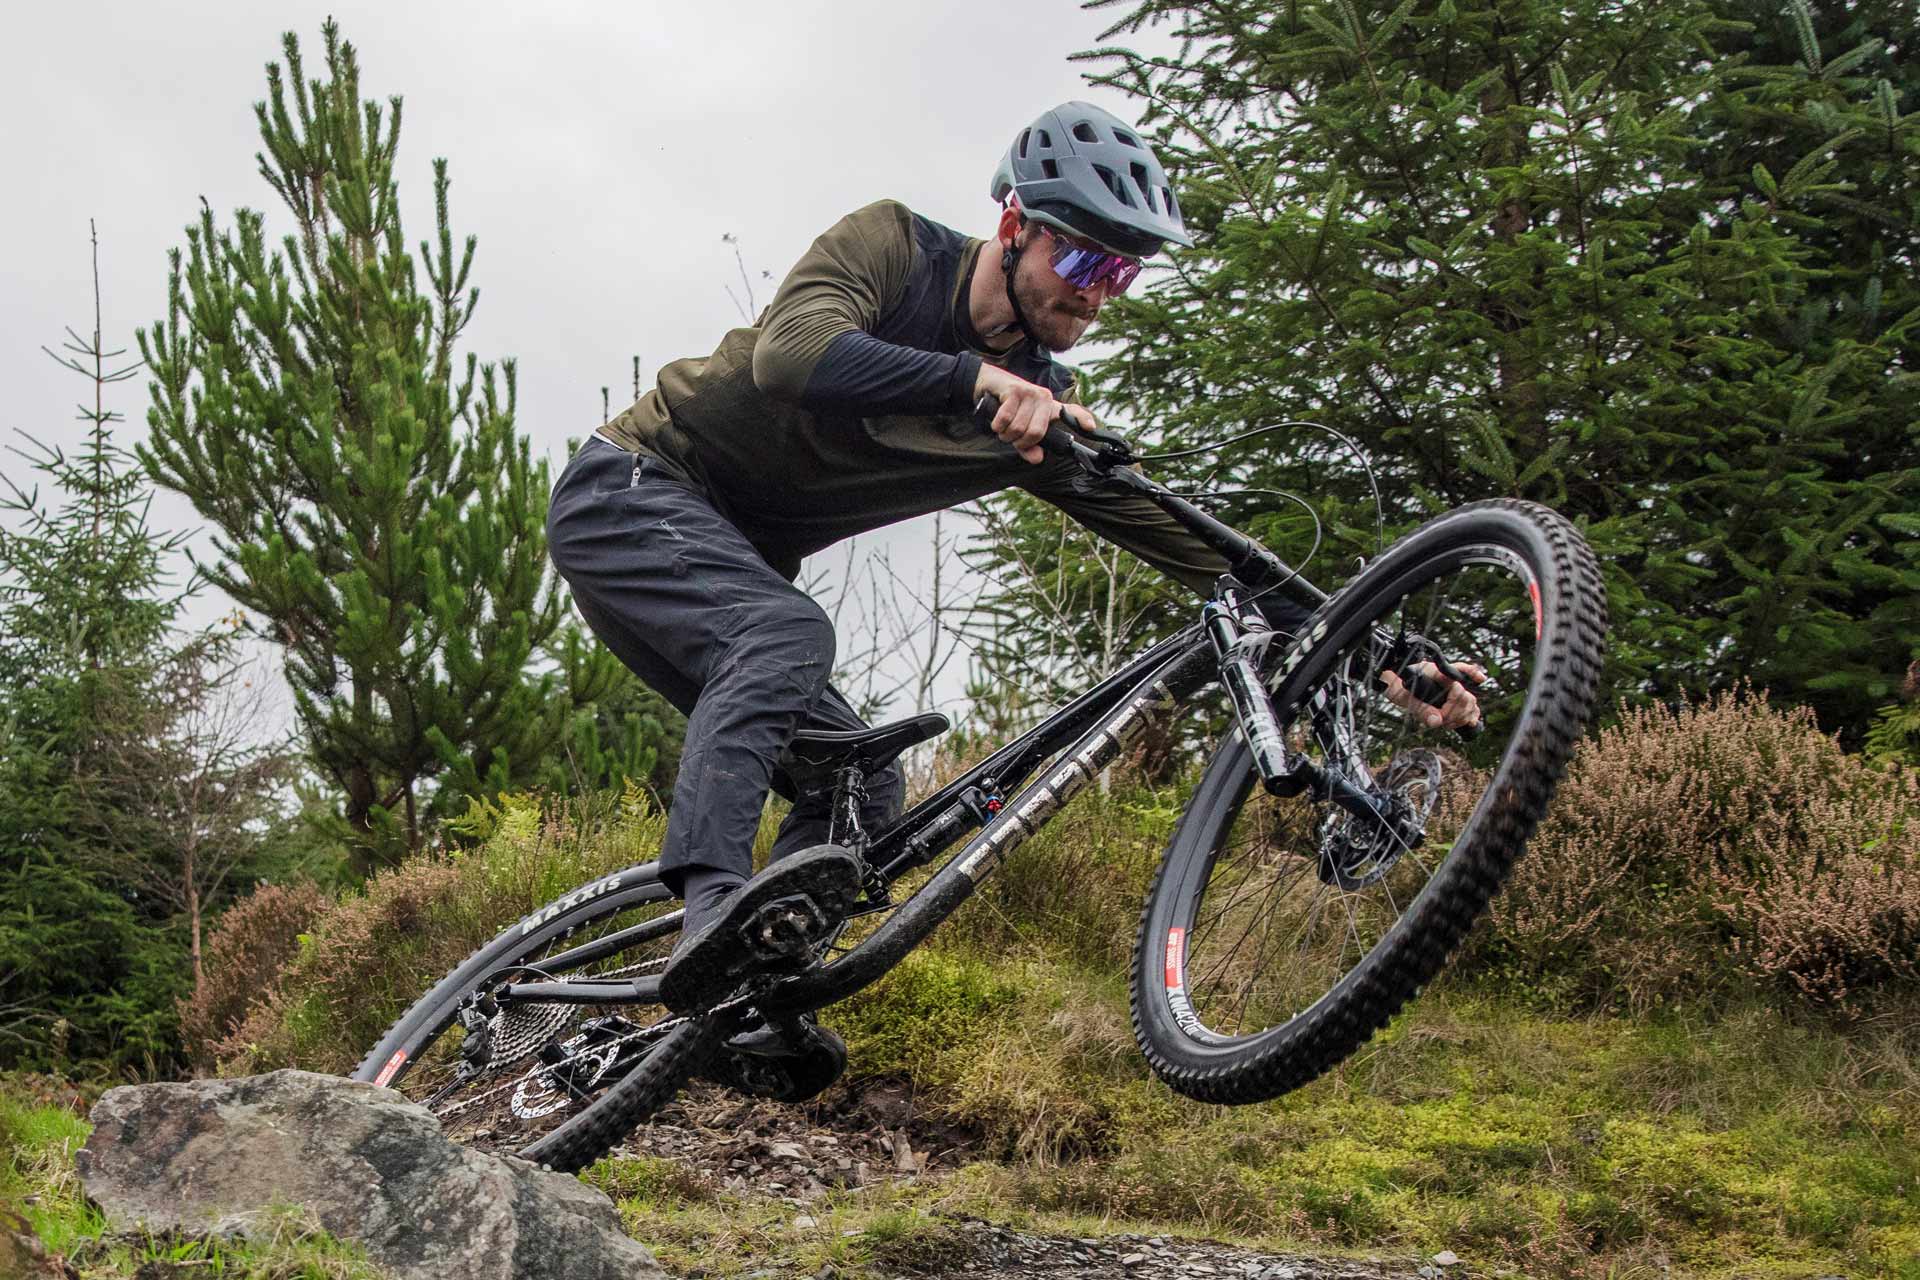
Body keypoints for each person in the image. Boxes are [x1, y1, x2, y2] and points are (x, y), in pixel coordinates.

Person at [545, 102, 1477, 1078]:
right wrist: (973, 380)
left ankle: (734, 1005)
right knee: (787, 635)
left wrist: (1376, 650)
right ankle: (709, 908)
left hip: (725, 565)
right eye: (1081, 261)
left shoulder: (1037, 412)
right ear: (1013, 226)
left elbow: (1195, 547)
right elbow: (792, 354)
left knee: (863, 782)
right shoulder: (894, 248)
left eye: (1120, 274)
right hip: (635, 488)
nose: (1096, 295)